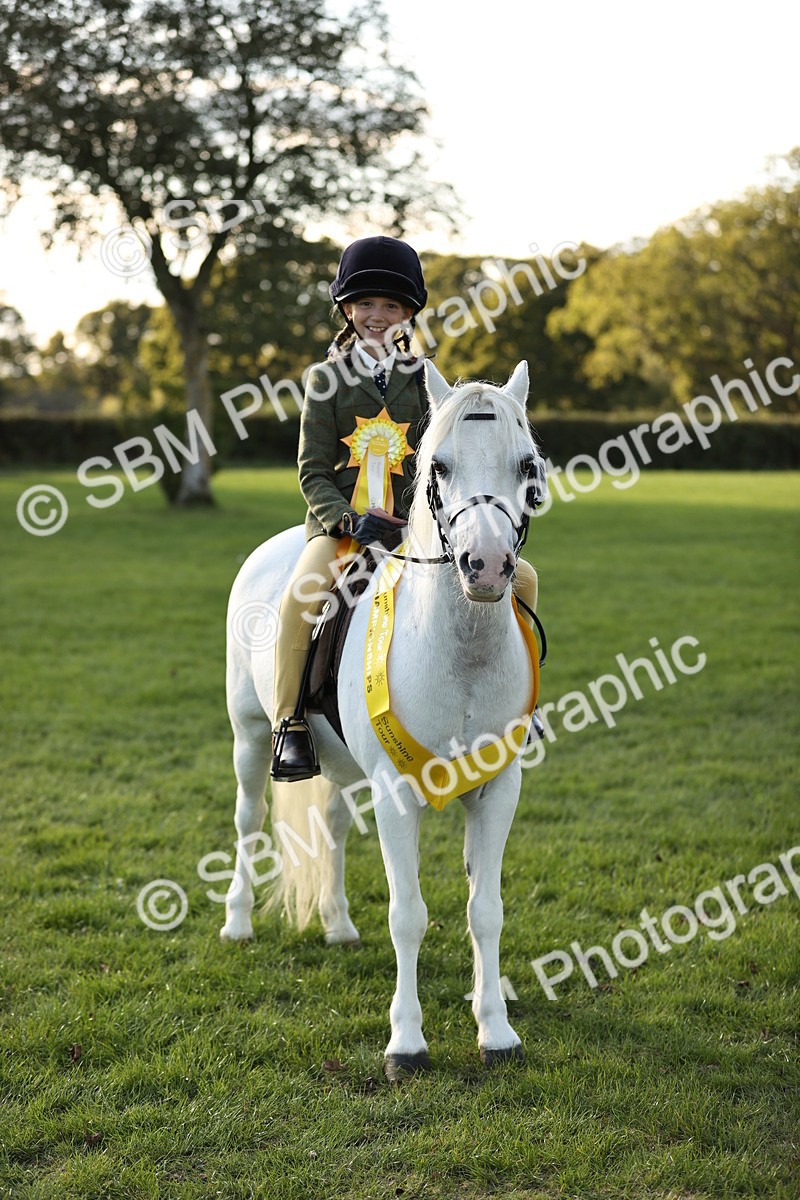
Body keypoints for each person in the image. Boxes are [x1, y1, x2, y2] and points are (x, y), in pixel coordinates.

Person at [270, 235, 541, 782]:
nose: (378, 316)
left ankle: (524, 705)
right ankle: (290, 721)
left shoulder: (423, 378)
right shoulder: (325, 380)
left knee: (526, 578)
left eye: (391, 306)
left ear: (409, 314)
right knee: (302, 595)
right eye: (366, 304)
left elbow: (442, 459)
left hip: (413, 528)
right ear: (347, 308)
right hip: (343, 527)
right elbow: (312, 472)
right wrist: (349, 520)